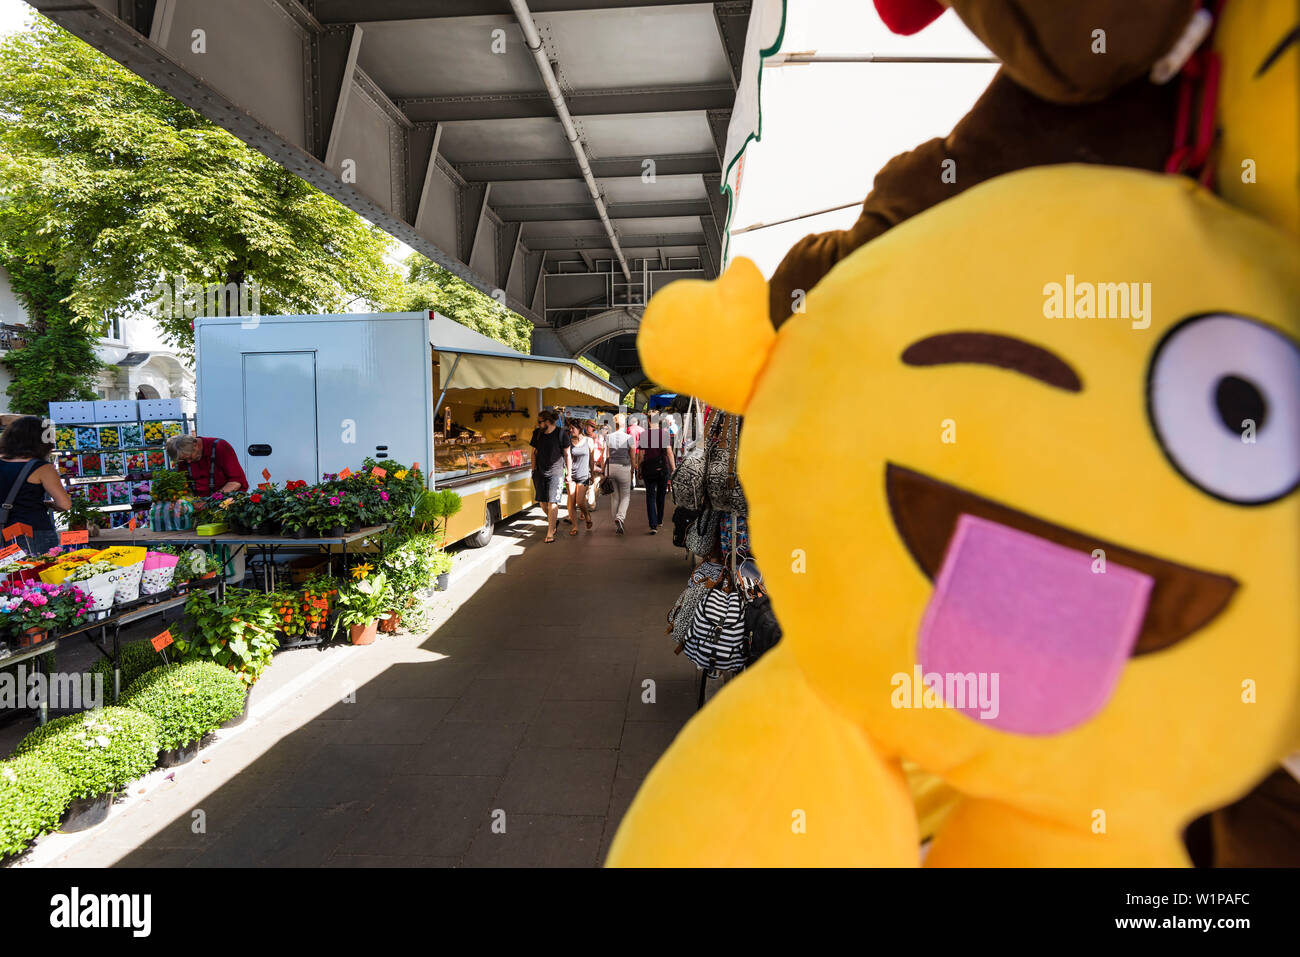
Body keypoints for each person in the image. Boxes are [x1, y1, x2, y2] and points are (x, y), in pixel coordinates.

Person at [0, 415, 72, 554]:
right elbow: (65, 504)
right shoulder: (42, 468)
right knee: (38, 571)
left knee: (8, 573)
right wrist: (50, 504)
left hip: (4, 528)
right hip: (34, 531)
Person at [165, 433, 249, 497]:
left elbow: (236, 482)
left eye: (189, 457)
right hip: (199, 505)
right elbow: (184, 486)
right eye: (184, 460)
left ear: (195, 445)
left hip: (226, 502)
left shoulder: (220, 447)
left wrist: (211, 501)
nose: (188, 462)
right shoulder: (183, 455)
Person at [529, 409, 566, 543]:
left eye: (540, 422)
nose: (538, 425)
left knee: (552, 503)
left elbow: (567, 454)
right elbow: (533, 453)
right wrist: (533, 470)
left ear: (548, 422)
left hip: (556, 472)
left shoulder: (561, 434)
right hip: (540, 472)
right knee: (543, 504)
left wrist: (569, 473)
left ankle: (550, 532)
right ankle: (553, 521)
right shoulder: (537, 434)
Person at [636, 416, 676, 534]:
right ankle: (659, 520)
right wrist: (673, 469)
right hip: (662, 469)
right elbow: (669, 452)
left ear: (648, 421)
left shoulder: (644, 435)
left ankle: (653, 525)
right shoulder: (664, 434)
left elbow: (641, 455)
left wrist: (639, 469)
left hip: (649, 469)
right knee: (661, 495)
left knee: (650, 496)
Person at [604, 413, 636, 535]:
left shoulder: (608, 437)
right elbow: (632, 456)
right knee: (626, 496)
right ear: (624, 424)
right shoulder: (629, 438)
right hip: (624, 467)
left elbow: (606, 455)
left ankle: (616, 523)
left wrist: (604, 471)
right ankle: (620, 517)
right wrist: (633, 469)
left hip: (611, 467)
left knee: (615, 497)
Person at [564, 421, 593, 535]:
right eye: (570, 429)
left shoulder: (588, 441)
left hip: (584, 475)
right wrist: (568, 475)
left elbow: (591, 459)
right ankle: (575, 526)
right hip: (571, 475)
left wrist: (592, 474)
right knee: (571, 502)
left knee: (580, 502)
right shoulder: (569, 442)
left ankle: (587, 515)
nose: (571, 431)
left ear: (579, 429)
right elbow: (568, 459)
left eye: (573, 428)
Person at [583, 419, 605, 514]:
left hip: (598, 464)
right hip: (587, 464)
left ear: (593, 428)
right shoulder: (583, 438)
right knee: (590, 486)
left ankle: (592, 500)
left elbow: (604, 450)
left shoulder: (598, 438)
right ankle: (592, 505)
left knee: (596, 486)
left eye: (590, 426)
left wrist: (603, 464)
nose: (588, 428)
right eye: (587, 426)